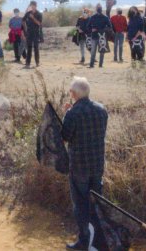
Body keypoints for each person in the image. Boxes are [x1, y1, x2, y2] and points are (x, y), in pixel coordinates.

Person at [61, 77, 109, 251]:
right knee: (96, 203)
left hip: (79, 167)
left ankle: (83, 242)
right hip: (97, 165)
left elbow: (65, 137)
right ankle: (99, 240)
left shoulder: (73, 113)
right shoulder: (101, 109)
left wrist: (66, 113)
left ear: (74, 94)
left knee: (81, 205)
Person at [23, 1, 44, 67]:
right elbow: (23, 20)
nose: (33, 7)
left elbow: (39, 23)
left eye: (34, 5)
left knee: (36, 48)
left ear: (36, 6)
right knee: (29, 48)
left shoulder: (39, 14)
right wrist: (25, 29)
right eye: (31, 5)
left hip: (36, 33)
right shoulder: (28, 13)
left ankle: (37, 62)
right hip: (29, 33)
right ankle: (28, 63)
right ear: (30, 6)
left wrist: (33, 18)